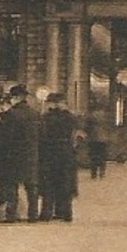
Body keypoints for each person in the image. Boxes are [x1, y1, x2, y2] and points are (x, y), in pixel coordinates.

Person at [0, 85, 41, 222]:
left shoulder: (11, 115)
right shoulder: (35, 114)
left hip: (13, 155)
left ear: (15, 98)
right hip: (31, 154)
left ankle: (11, 215)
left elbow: (4, 136)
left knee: (11, 186)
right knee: (31, 187)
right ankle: (33, 215)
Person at [38, 93, 78, 222]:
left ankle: (47, 212)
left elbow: (42, 135)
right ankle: (65, 212)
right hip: (66, 153)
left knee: (48, 183)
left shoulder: (45, 118)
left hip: (49, 153)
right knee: (65, 182)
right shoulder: (70, 118)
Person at [84, 108, 109, 179]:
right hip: (103, 138)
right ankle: (102, 172)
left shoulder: (90, 116)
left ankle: (93, 173)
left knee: (93, 156)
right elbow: (109, 126)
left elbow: (86, 127)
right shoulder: (105, 115)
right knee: (102, 156)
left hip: (93, 138)